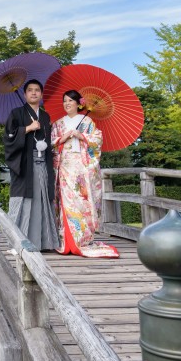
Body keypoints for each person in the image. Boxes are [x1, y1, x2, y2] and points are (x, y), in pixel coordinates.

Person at [51, 90, 119, 258]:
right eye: (65, 101)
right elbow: (51, 142)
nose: (67, 104)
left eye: (71, 101)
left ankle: (81, 239)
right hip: (64, 166)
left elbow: (97, 141)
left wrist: (80, 135)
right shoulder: (58, 124)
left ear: (78, 104)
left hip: (81, 167)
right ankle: (66, 239)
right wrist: (62, 138)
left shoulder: (87, 121)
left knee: (81, 202)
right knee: (66, 202)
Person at [3, 79, 61, 251]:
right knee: (23, 202)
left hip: (43, 164)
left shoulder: (45, 116)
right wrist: (26, 129)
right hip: (25, 165)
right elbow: (8, 138)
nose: (34, 93)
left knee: (42, 200)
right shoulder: (16, 113)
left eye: (37, 90)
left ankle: (44, 242)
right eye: (30, 90)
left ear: (41, 95)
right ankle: (17, 242)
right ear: (25, 94)